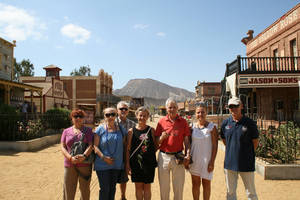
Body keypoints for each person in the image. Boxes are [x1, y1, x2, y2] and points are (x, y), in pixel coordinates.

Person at [220, 97, 259, 200]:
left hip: (246, 163)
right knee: (230, 193)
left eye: (236, 106)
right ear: (228, 108)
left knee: (251, 193)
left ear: (241, 106)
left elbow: (255, 142)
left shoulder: (249, 123)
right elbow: (225, 140)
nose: (234, 108)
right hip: (230, 164)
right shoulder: (225, 124)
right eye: (231, 106)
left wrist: (246, 153)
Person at [155, 98, 191, 200]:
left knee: (178, 187)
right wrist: (161, 138)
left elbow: (187, 140)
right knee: (164, 187)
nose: (172, 109)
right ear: (166, 109)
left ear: (177, 108)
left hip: (178, 156)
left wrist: (188, 153)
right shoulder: (161, 122)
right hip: (163, 157)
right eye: (170, 107)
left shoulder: (183, 122)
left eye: (174, 107)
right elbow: (156, 142)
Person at [94, 107, 129, 200]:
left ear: (116, 115)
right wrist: (104, 158)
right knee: (105, 189)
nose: (110, 117)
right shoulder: (99, 129)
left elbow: (126, 145)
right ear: (104, 116)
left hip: (116, 165)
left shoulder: (121, 129)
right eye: (107, 115)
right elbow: (95, 146)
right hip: (102, 164)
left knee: (112, 189)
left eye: (112, 114)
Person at [61, 109, 94, 200]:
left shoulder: (88, 131)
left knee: (84, 189)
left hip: (85, 163)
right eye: (76, 116)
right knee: (69, 189)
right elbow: (63, 147)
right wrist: (70, 158)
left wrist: (84, 156)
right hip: (69, 164)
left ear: (83, 118)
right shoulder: (66, 131)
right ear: (72, 118)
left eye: (80, 116)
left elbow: (91, 145)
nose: (78, 118)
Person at [127, 106, 157, 200]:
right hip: (136, 164)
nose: (142, 118)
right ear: (136, 116)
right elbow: (128, 149)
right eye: (140, 115)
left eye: (144, 116)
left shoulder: (151, 130)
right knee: (138, 187)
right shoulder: (131, 131)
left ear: (148, 116)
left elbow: (155, 146)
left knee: (147, 187)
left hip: (149, 163)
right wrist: (128, 165)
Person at [189, 103, 218, 200]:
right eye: (198, 112)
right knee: (195, 184)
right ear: (195, 114)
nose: (200, 114)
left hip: (207, 161)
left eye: (202, 112)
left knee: (206, 184)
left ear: (206, 113)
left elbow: (215, 146)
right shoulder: (191, 127)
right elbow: (188, 143)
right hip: (195, 160)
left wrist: (212, 162)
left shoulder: (212, 127)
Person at [116, 101, 136, 200]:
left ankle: (122, 196)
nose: (123, 110)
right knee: (111, 177)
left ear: (128, 111)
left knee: (123, 177)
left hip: (126, 154)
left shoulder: (133, 124)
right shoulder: (111, 122)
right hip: (113, 154)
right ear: (117, 110)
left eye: (125, 109)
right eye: (121, 109)